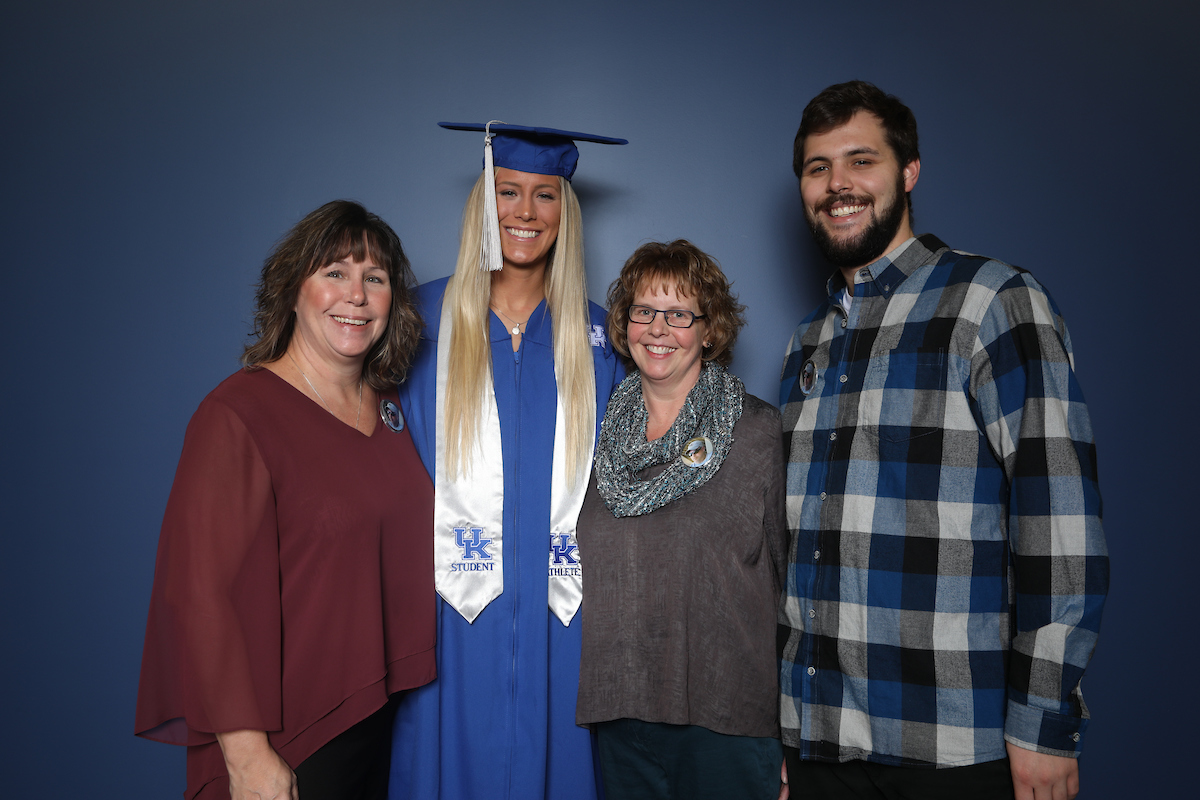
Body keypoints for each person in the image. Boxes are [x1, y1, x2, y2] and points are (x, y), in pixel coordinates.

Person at [778, 80, 1109, 800]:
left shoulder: (993, 301)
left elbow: (1060, 522)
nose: (838, 185)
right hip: (819, 745)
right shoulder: (809, 341)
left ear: (908, 171)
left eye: (860, 161)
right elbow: (797, 547)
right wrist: (783, 729)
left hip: (951, 750)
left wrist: (1045, 723)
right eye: (817, 168)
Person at [135, 200, 435, 800]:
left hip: (374, 719)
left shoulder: (396, 410)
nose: (355, 294)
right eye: (334, 273)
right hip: (286, 737)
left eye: (373, 279)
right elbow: (201, 595)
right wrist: (247, 757)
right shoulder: (238, 414)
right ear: (293, 289)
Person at [388, 122, 626, 800]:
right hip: (446, 621)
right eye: (508, 192)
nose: (525, 212)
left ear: (565, 212)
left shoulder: (602, 339)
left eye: (545, 196)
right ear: (482, 205)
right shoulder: (416, 321)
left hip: (564, 621)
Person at [575, 240, 788, 799]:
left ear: (709, 329)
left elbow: (793, 585)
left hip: (726, 719)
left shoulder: (758, 432)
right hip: (621, 712)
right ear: (624, 324)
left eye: (679, 314)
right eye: (643, 311)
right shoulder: (597, 439)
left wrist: (793, 733)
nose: (658, 328)